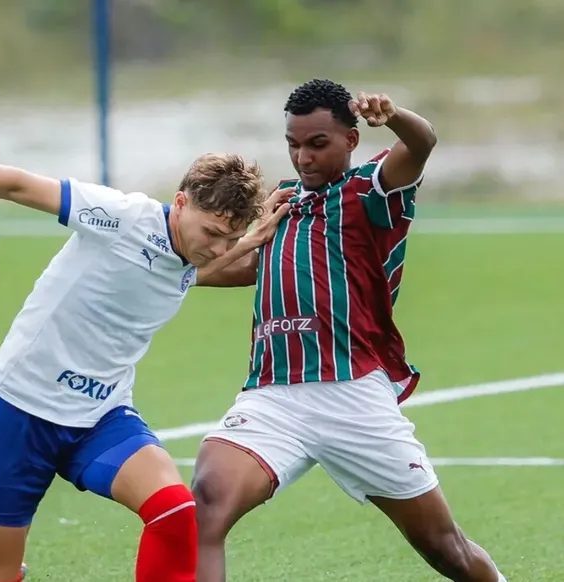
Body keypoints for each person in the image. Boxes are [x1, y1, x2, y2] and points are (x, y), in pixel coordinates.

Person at [0, 153, 291, 582]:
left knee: (173, 509)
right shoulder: (122, 217)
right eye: (212, 233)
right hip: (17, 411)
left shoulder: (192, 252)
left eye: (230, 238)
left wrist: (263, 239)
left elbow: (194, 269)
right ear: (181, 202)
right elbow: (19, 183)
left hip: (100, 416)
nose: (217, 248)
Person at [190, 79, 509, 582]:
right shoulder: (283, 203)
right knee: (206, 504)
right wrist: (190, 262)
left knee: (448, 551)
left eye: (317, 144)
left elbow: (423, 142)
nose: (303, 158)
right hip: (274, 397)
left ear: (351, 140)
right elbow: (228, 271)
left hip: (354, 397)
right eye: (293, 145)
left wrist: (396, 114)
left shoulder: (371, 191)